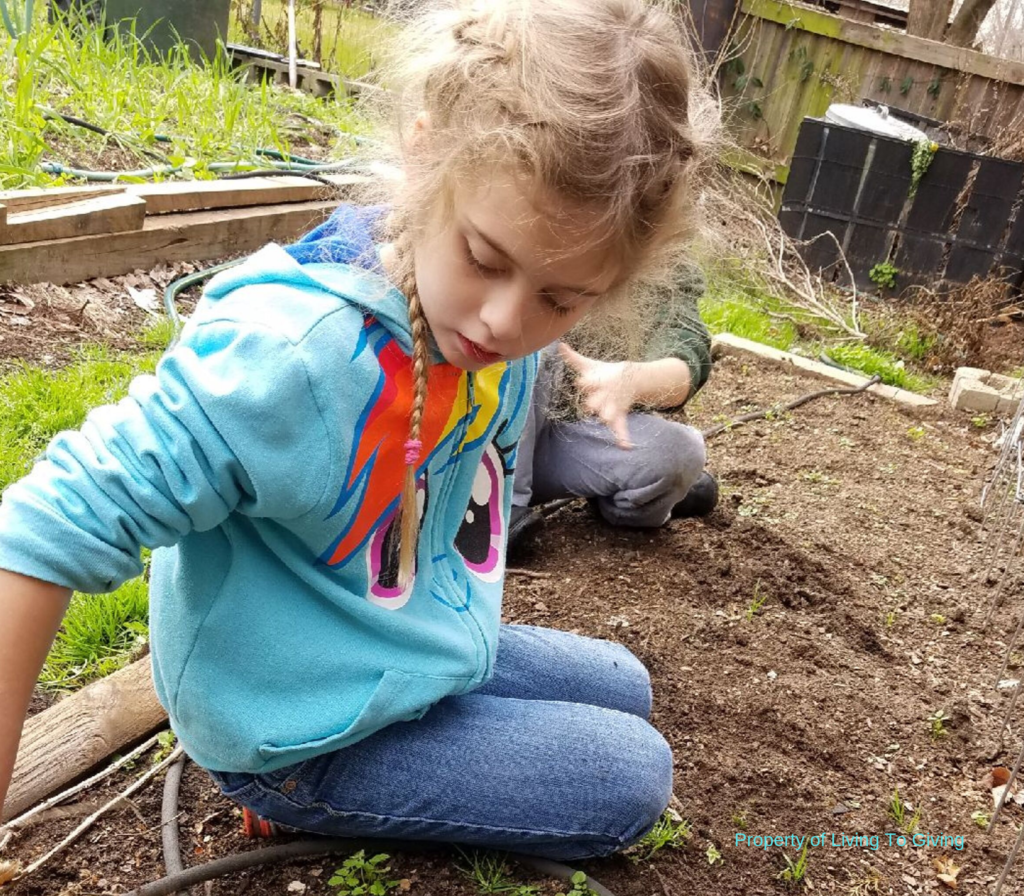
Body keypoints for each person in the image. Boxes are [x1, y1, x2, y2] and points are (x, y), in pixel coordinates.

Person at [0, 0, 711, 863]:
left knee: (623, 683)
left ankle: (425, 705)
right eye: (485, 259)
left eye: (561, 299)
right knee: (631, 774)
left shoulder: (484, 323)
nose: (502, 321)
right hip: (297, 728)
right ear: (424, 153)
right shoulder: (294, 358)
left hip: (385, 642)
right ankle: (297, 800)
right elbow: (41, 526)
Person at [509, 263, 716, 551]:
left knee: (681, 454)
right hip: (491, 432)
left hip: (574, 434)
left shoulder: (666, 262)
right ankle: (503, 509)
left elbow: (686, 349)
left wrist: (630, 380)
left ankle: (615, 492)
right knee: (534, 338)